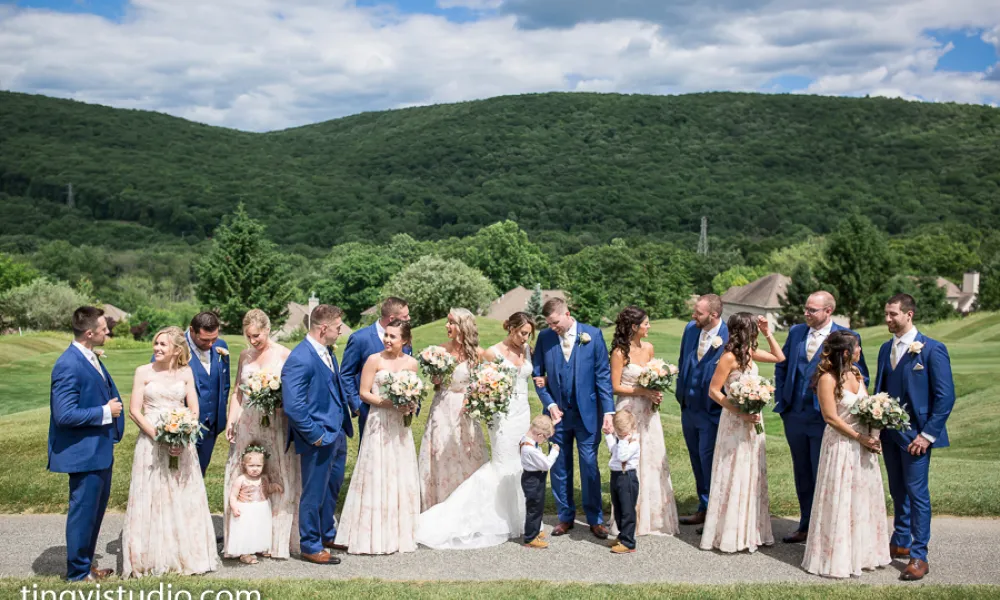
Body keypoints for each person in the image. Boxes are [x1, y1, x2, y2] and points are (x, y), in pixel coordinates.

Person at [416, 312, 537, 549]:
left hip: (522, 413)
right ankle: (475, 513)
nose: (526, 338)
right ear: (510, 328)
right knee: (501, 463)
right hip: (497, 413)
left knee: (520, 463)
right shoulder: (491, 352)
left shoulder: (521, 350)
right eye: (523, 333)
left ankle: (517, 518)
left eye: (529, 334)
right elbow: (482, 382)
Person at [121, 327, 218, 577]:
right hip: (151, 443)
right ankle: (150, 557)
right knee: (153, 495)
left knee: (180, 493)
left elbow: (194, 408)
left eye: (163, 345)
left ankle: (186, 553)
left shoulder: (186, 372)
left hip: (181, 444)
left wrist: (183, 435)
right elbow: (134, 411)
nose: (157, 348)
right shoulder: (143, 372)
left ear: (177, 349)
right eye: (156, 343)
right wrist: (160, 437)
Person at [773, 291, 869, 544]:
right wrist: (782, 397)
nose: (806, 313)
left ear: (828, 311)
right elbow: (781, 364)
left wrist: (841, 404)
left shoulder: (847, 337)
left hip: (825, 419)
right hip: (794, 414)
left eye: (812, 310)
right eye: (805, 308)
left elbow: (860, 376)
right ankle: (805, 525)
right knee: (802, 471)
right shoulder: (795, 333)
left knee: (824, 474)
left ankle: (825, 530)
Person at [875, 294, 955, 581]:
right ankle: (901, 539)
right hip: (890, 436)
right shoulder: (886, 350)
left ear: (909, 315)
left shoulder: (932, 350)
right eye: (886, 313)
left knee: (917, 494)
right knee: (897, 490)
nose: (887, 319)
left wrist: (927, 435)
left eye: (893, 314)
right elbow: (880, 392)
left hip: (917, 438)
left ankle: (919, 556)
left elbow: (946, 398)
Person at [801, 331, 891, 578]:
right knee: (841, 497)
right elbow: (830, 417)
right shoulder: (827, 379)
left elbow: (869, 408)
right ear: (846, 352)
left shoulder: (857, 373)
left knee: (862, 497)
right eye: (857, 347)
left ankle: (862, 554)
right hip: (841, 444)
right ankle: (835, 556)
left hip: (863, 445)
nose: (861, 351)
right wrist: (859, 437)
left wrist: (874, 435)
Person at [47, 306, 124, 582]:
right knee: (83, 514)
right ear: (90, 333)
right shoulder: (68, 364)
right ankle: (77, 574)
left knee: (94, 514)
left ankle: (86, 565)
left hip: (99, 451)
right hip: (84, 453)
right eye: (104, 329)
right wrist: (106, 412)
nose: (108, 332)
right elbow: (64, 414)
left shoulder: (89, 357)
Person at [334, 320, 421, 555]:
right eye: (386, 335)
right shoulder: (374, 360)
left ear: (405, 340)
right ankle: (370, 531)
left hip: (399, 426)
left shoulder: (411, 363)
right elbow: (363, 392)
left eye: (394, 337)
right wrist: (386, 403)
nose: (388, 340)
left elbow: (414, 395)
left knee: (398, 472)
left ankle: (399, 531)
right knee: (376, 470)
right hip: (378, 420)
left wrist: (409, 405)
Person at [699, 313, 784, 554]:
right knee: (733, 470)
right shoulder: (728, 357)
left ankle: (750, 530)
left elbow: (779, 357)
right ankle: (729, 533)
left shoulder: (749, 354)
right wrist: (740, 411)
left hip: (753, 421)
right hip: (735, 421)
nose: (757, 333)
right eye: (755, 330)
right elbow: (714, 391)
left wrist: (769, 332)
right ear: (744, 331)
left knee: (751, 470)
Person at [533, 298, 615, 540]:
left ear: (567, 314)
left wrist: (608, 412)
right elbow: (538, 376)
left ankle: (595, 519)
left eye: (555, 322)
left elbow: (602, 375)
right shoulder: (545, 338)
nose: (552, 327)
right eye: (548, 324)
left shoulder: (593, 335)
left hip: (588, 414)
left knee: (589, 464)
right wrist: (549, 404)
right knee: (559, 465)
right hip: (558, 417)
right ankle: (565, 516)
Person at [223, 309, 299, 559]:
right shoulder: (245, 355)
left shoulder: (284, 354)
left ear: (267, 330)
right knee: (246, 471)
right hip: (248, 421)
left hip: (275, 422)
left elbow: (292, 392)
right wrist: (231, 419)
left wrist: (276, 400)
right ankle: (244, 539)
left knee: (276, 473)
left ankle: (274, 539)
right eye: (249, 336)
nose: (253, 340)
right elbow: (238, 392)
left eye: (257, 335)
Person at [281, 304, 351, 566]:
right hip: (318, 438)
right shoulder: (300, 357)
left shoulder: (327, 352)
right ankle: (310, 544)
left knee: (331, 488)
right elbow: (293, 405)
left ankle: (326, 534)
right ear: (324, 329)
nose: (340, 331)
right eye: (338, 327)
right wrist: (316, 435)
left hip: (337, 433)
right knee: (313, 492)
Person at [609, 306, 679, 536]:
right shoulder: (620, 352)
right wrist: (643, 392)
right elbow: (616, 386)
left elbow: (652, 379)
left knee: (651, 458)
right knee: (630, 460)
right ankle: (630, 520)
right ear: (634, 327)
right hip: (628, 410)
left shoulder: (649, 348)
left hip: (648, 411)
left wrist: (655, 391)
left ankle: (654, 519)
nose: (649, 327)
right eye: (646, 323)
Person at [418, 308, 488, 510]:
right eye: (448, 322)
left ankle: (467, 508)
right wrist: (436, 370)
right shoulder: (440, 350)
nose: (446, 326)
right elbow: (437, 383)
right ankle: (438, 506)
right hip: (442, 408)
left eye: (451, 322)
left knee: (465, 454)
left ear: (462, 326)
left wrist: (473, 399)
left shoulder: (478, 354)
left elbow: (483, 384)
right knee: (440, 453)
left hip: (465, 411)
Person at [675, 294, 729, 526]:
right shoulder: (690, 329)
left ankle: (714, 512)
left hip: (712, 411)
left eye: (698, 313)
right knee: (696, 459)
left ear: (714, 315)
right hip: (689, 408)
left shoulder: (729, 336)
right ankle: (703, 506)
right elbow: (682, 359)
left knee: (709, 459)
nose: (693, 316)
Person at [340, 297, 411, 441]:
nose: (409, 318)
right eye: (405, 316)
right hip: (370, 411)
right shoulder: (360, 339)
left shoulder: (405, 339)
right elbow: (346, 374)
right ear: (392, 318)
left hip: (399, 413)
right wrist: (357, 406)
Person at [182, 312, 231, 475]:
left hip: (211, 425)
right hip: (182, 426)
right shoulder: (174, 347)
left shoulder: (221, 346)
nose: (210, 344)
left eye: (214, 339)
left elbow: (225, 384)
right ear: (192, 330)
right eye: (204, 340)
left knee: (199, 472)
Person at [225, 445, 285, 564]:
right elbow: (233, 495)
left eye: (258, 466)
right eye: (251, 465)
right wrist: (234, 507)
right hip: (246, 509)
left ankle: (260, 547)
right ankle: (245, 553)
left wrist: (274, 487)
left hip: (261, 508)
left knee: (260, 528)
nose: (255, 469)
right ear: (244, 465)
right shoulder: (241, 479)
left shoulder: (263, 478)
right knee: (247, 530)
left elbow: (266, 489)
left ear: (263, 466)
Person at [606, 410, 641, 555]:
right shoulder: (621, 441)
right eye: (618, 433)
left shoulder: (632, 443)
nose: (620, 436)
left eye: (623, 433)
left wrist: (623, 440)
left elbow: (622, 456)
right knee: (618, 508)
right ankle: (622, 535)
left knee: (627, 511)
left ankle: (628, 542)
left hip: (627, 478)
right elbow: (614, 451)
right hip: (616, 476)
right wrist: (609, 435)